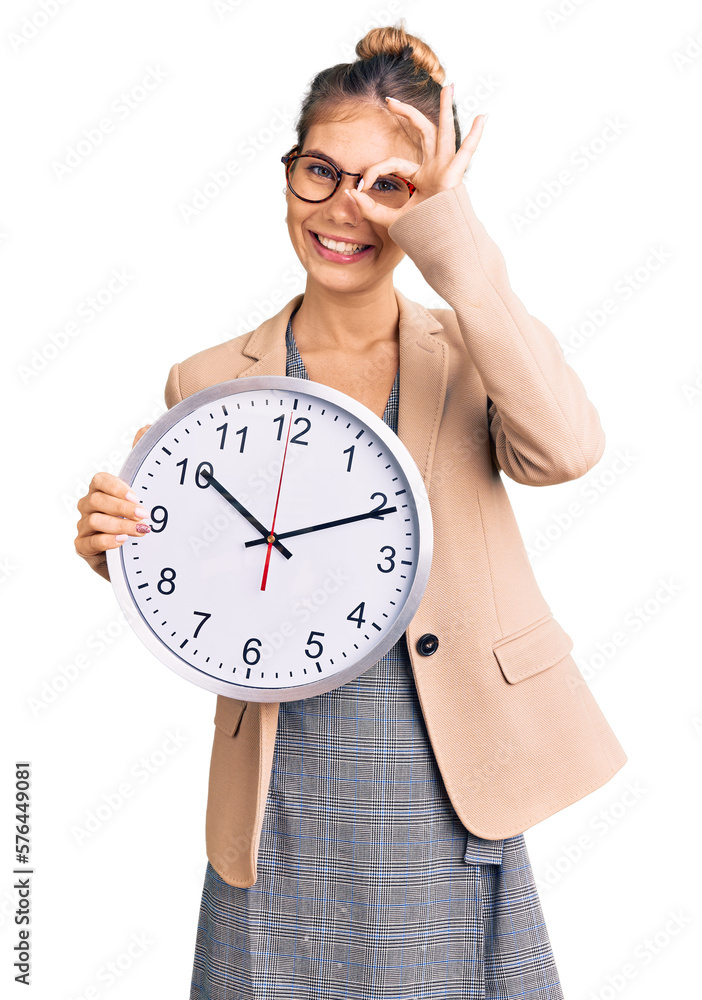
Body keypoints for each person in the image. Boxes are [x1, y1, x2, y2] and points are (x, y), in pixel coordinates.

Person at [74, 21, 628, 999]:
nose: (347, 209)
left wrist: (457, 243)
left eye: (390, 186)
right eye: (322, 172)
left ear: (427, 207)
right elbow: (215, 574)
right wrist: (120, 548)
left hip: (442, 769)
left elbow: (567, 449)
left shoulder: (471, 351)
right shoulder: (205, 381)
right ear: (287, 175)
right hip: (281, 779)